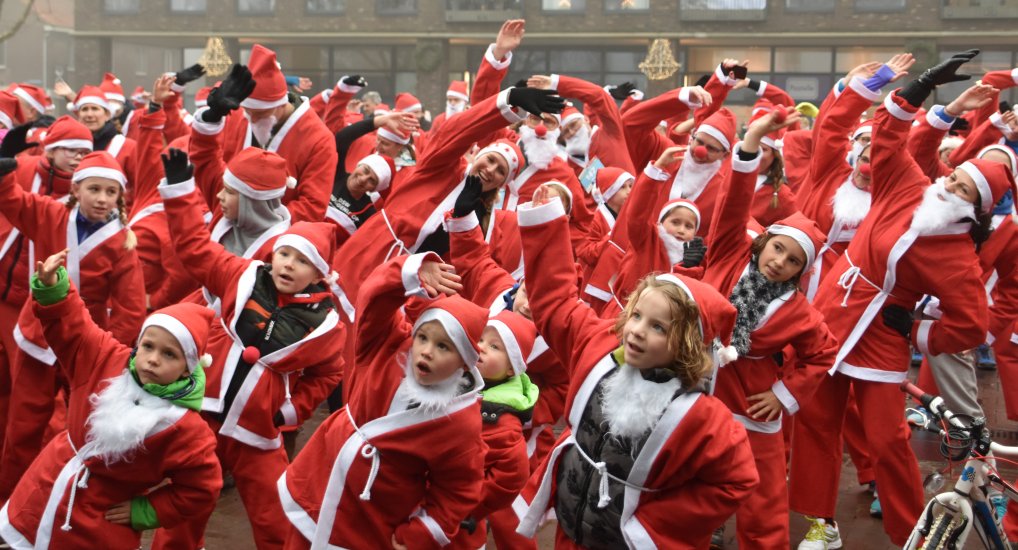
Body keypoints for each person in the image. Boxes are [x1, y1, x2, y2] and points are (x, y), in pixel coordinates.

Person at [790, 50, 1005, 547]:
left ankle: (909, 530)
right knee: (817, 425)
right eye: (953, 176)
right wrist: (922, 86)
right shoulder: (910, 184)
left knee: (888, 439)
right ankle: (822, 526)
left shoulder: (957, 256)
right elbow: (888, 131)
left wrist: (917, 329)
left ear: (977, 210)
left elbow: (973, 325)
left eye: (963, 188)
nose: (948, 183)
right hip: (831, 311)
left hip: (882, 340)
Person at [512, 184, 759, 548]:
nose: (637, 331)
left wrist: (651, 526)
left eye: (658, 327)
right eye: (637, 315)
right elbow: (556, 302)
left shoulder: (704, 418)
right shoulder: (598, 347)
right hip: (571, 531)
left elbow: (736, 480)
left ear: (688, 344)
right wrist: (546, 224)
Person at [154, 149, 345, 549]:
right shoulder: (242, 275)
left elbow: (328, 373)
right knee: (186, 507)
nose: (288, 265)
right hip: (204, 416)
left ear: (319, 273)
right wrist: (180, 189)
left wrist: (290, 410)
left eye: (302, 261)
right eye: (285, 254)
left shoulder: (326, 325)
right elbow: (193, 245)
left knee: (273, 517)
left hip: (257, 432)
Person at [0, 250, 221, 549]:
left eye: (169, 354)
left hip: (96, 529)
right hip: (42, 490)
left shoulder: (187, 430)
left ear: (188, 366)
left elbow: (201, 488)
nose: (153, 360)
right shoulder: (108, 358)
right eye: (148, 346)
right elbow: (76, 328)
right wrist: (53, 287)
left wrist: (147, 510)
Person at [277, 252, 487, 549]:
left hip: (372, 516)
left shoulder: (461, 422)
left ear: (465, 363)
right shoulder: (385, 346)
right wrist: (410, 271)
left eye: (444, 346)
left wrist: (421, 533)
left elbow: (459, 489)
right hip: (319, 482)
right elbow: (374, 297)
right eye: (422, 337)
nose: (426, 351)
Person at [699, 108, 838, 549]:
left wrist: (784, 395)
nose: (779, 261)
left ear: (801, 272)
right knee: (691, 470)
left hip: (748, 398)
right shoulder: (727, 253)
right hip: (695, 381)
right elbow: (733, 200)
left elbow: (822, 354)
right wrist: (751, 141)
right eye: (777, 248)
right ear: (763, 241)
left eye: (793, 261)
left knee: (763, 496)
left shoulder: (799, 310)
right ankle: (704, 528)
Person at [0, 148, 145, 501]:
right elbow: (12, 200)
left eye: (111, 193)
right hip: (38, 335)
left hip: (85, 344)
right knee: (23, 425)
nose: (102, 199)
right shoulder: (49, 213)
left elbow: (130, 308)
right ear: (76, 189)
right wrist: (3, 174)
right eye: (94, 189)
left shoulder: (123, 242)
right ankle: (8, 502)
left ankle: (66, 498)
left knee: (82, 425)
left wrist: (111, 353)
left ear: (120, 198)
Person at [203, 46, 338, 223]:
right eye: (248, 112)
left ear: (281, 104)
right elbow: (209, 164)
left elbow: (312, 207)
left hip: (275, 241)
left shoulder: (319, 140)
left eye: (259, 115)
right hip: (224, 225)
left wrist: (258, 221)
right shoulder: (239, 114)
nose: (251, 119)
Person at [447, 310, 538, 549]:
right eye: (480, 340)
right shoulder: (457, 378)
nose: (482, 347)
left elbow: (513, 475)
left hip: (457, 525)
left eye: (495, 347)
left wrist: (466, 505)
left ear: (511, 369)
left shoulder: (502, 420)